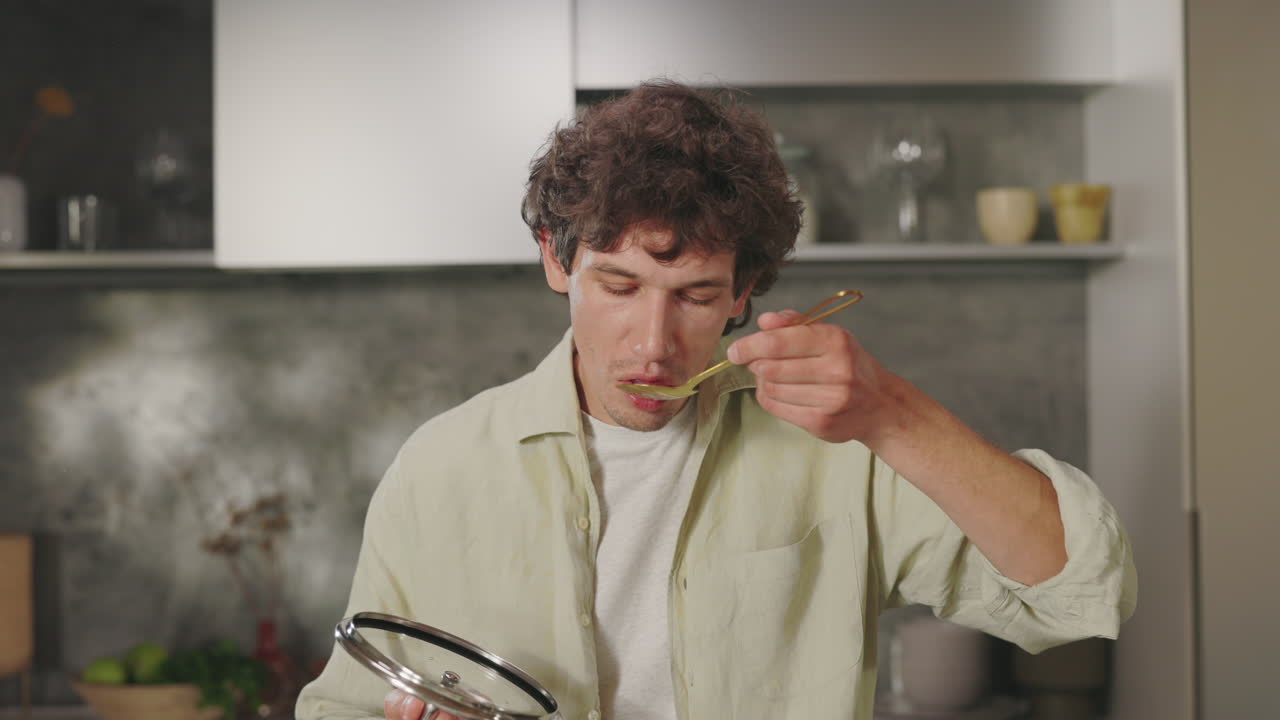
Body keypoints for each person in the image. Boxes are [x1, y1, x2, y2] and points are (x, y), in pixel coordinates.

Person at [296, 80, 1137, 720]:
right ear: (557, 261)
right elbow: (346, 703)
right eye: (619, 285)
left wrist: (894, 413)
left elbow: (1082, 593)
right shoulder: (441, 467)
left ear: (745, 293)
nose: (653, 343)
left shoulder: (837, 448)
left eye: (695, 296)